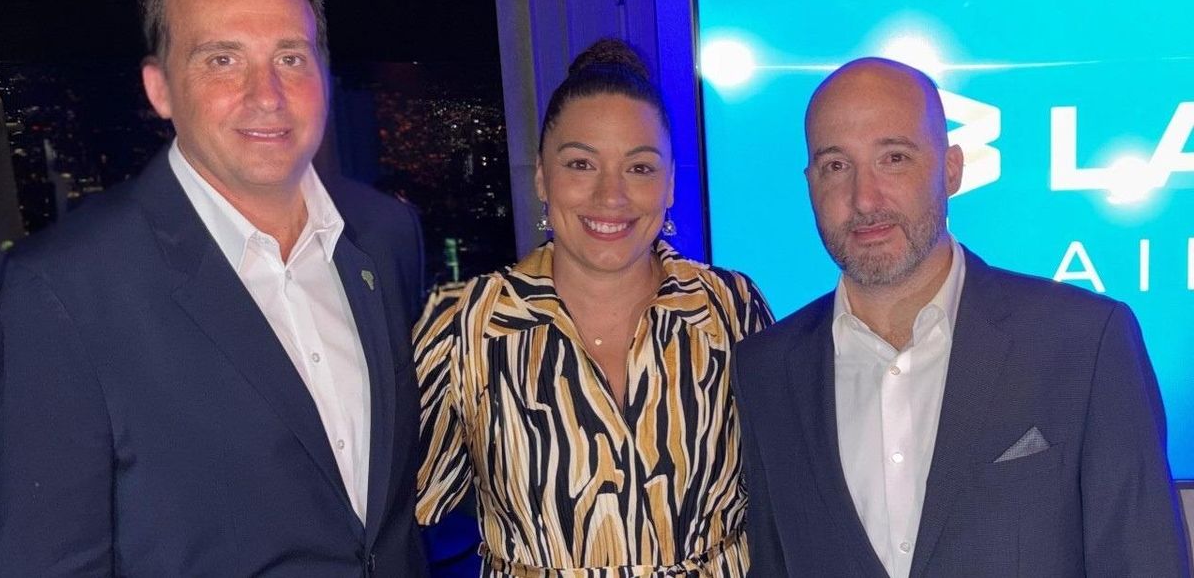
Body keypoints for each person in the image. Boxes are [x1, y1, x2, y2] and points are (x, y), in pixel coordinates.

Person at [0, 0, 429, 576]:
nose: (266, 94)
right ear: (159, 88)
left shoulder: (385, 235)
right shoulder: (63, 291)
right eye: (222, 59)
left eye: (290, 57)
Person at [733, 57, 1190, 577]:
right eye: (837, 166)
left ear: (951, 169)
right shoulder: (765, 371)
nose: (864, 199)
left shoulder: (1085, 343)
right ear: (810, 181)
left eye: (895, 158)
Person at [414, 38, 774, 576]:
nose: (611, 196)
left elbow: (787, 492)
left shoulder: (731, 309)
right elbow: (407, 508)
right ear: (542, 176)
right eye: (582, 164)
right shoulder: (465, 325)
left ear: (671, 181)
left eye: (640, 168)